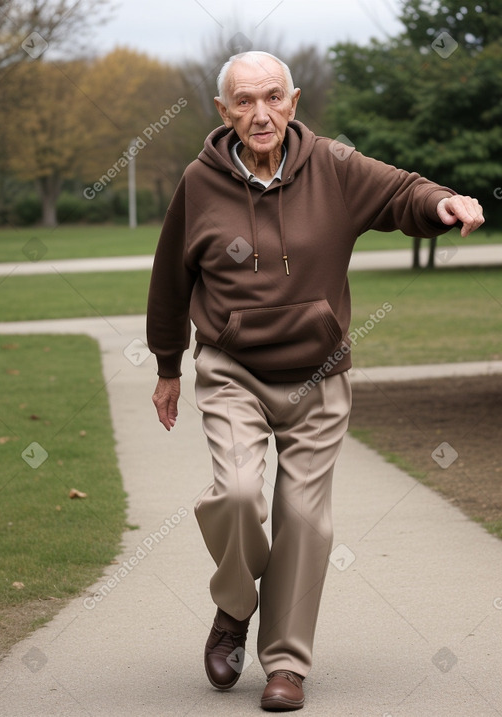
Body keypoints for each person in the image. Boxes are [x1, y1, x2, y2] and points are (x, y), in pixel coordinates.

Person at [146, 50, 484, 711]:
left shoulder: (333, 166)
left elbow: (402, 191)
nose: (260, 112)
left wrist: (442, 201)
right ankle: (235, 605)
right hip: (232, 368)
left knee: (305, 518)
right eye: (244, 101)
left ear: (294, 101)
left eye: (273, 96)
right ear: (224, 112)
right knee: (239, 494)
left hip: (320, 376)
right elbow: (169, 279)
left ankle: (286, 665)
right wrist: (165, 364)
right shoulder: (199, 180)